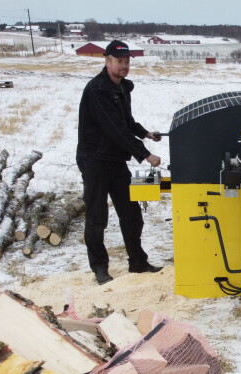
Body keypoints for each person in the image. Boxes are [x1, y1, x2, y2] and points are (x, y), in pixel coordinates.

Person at [76, 39, 163, 285]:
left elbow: (126, 121)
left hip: (115, 159)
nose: (124, 66)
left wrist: (145, 132)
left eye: (127, 62)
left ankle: (138, 262)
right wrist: (145, 154)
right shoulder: (98, 90)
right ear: (107, 61)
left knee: (132, 212)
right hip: (94, 159)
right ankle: (100, 268)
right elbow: (114, 128)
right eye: (119, 62)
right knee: (97, 216)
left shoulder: (121, 87)